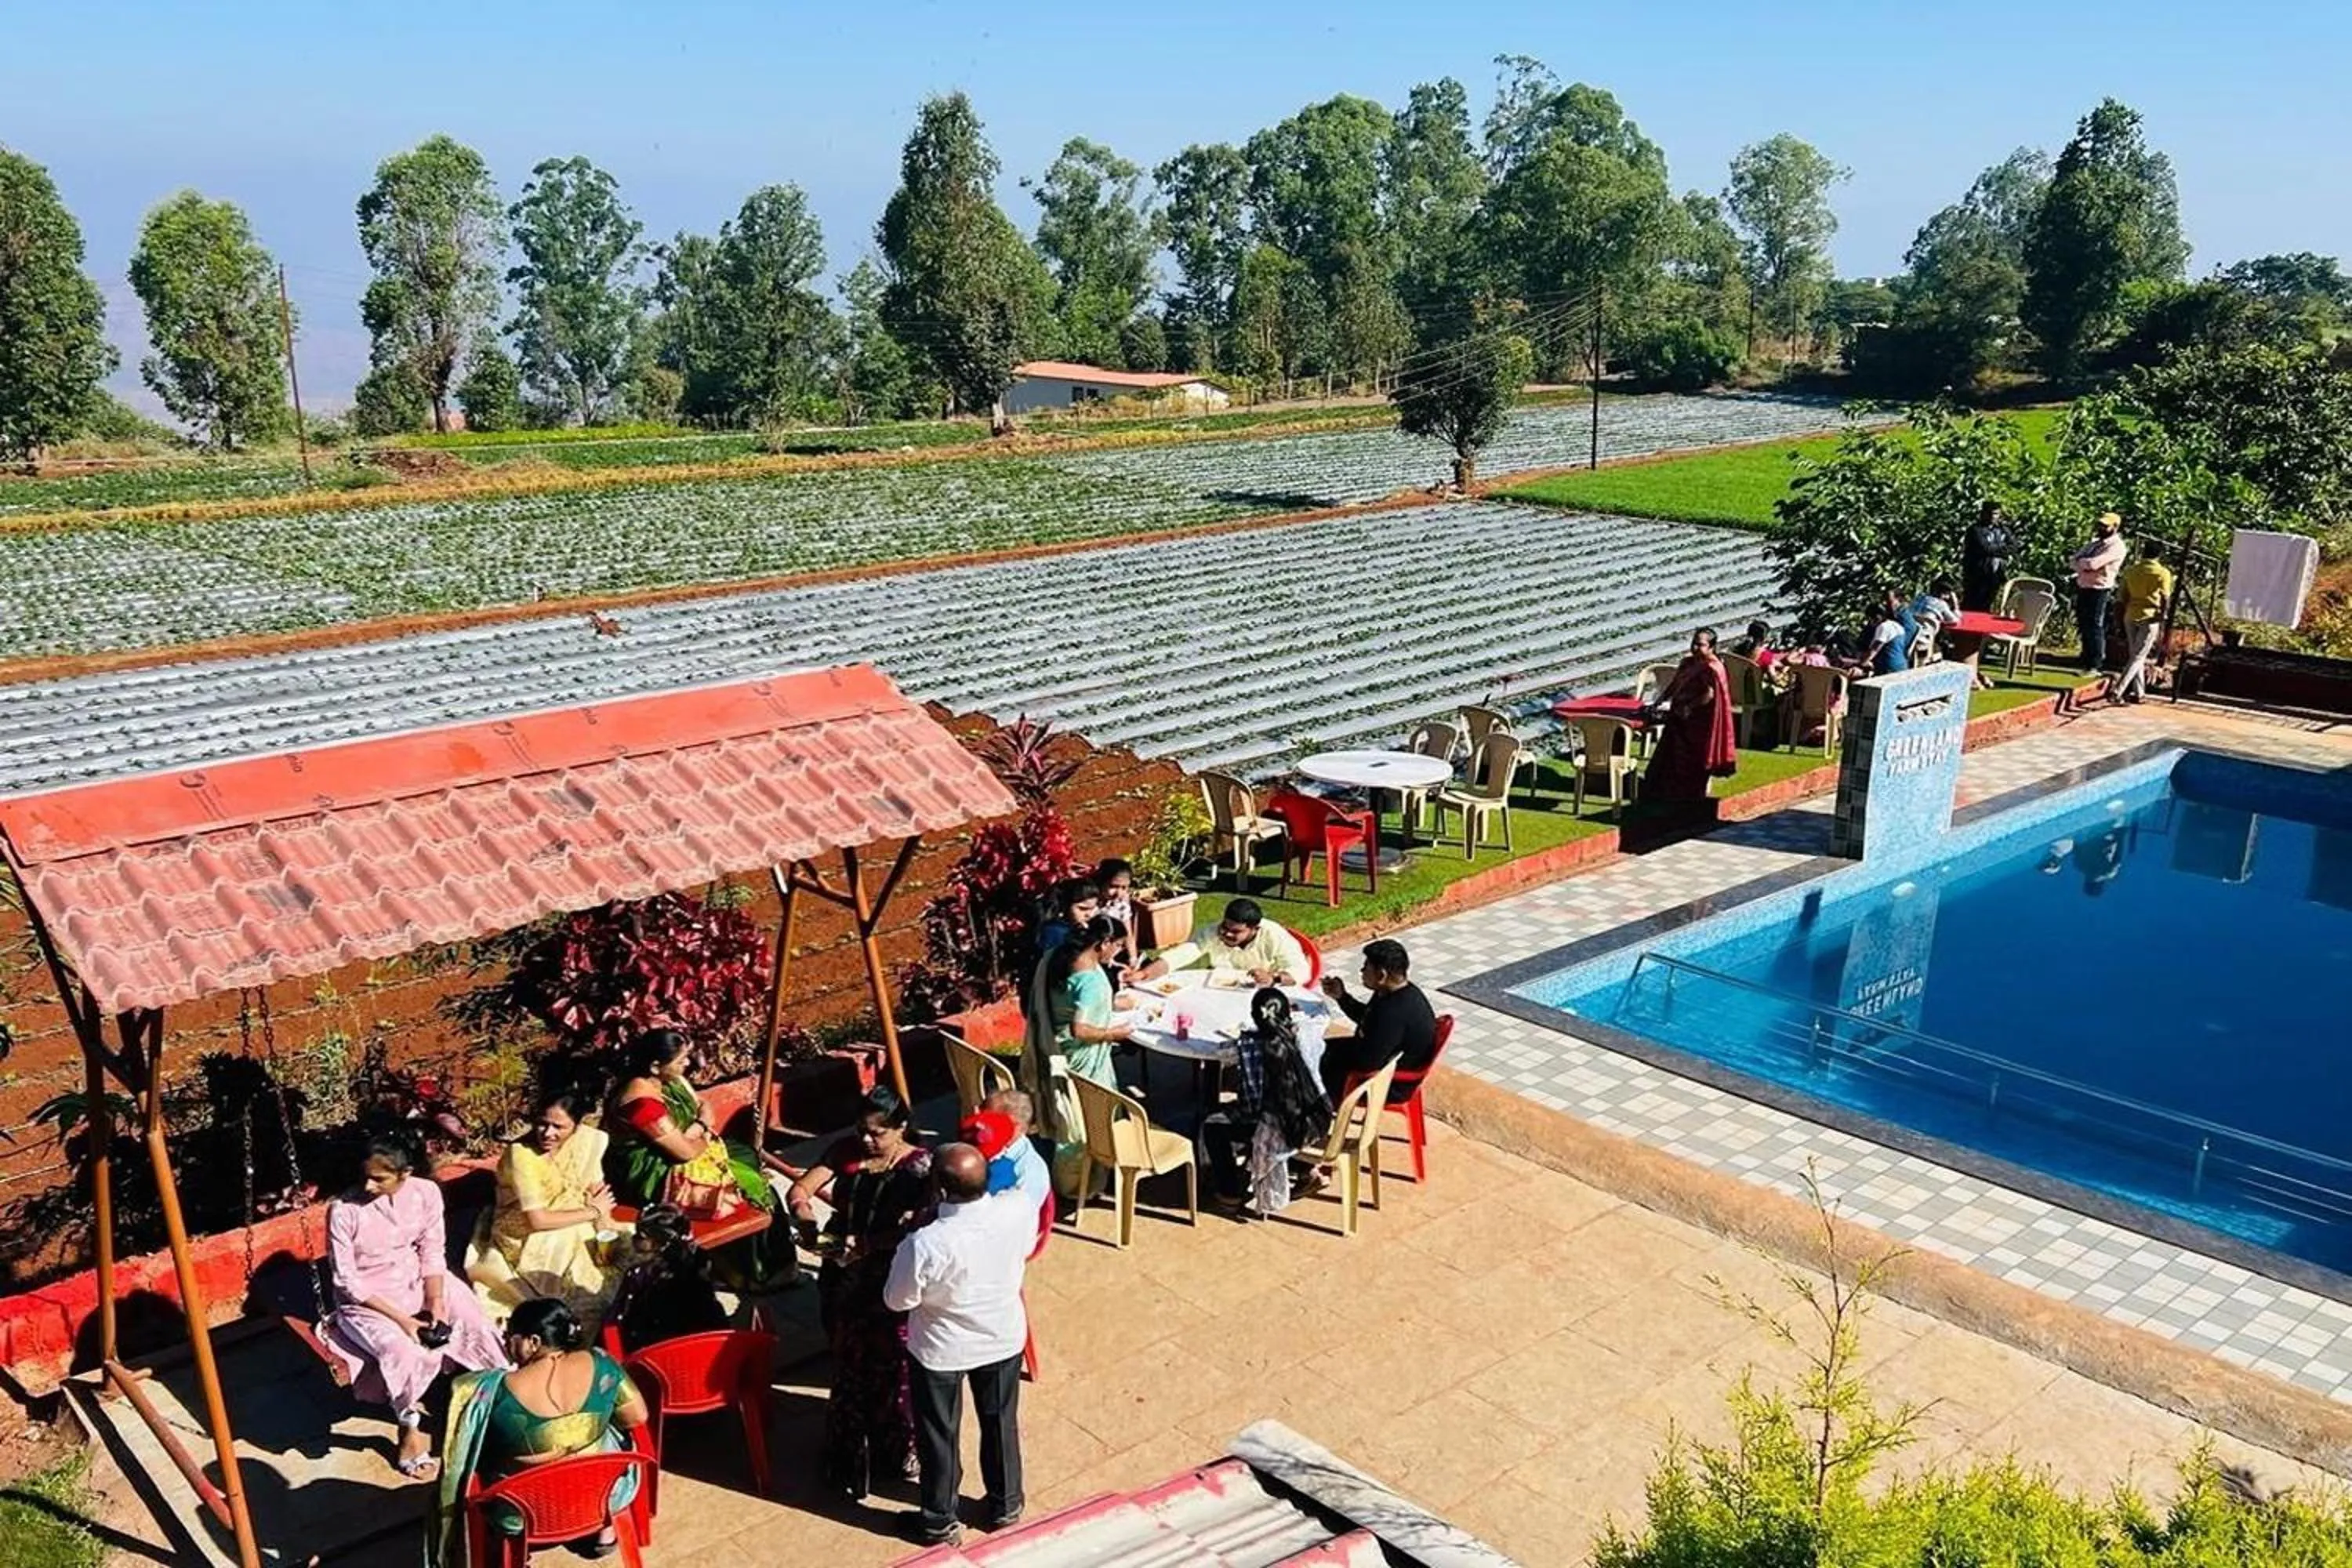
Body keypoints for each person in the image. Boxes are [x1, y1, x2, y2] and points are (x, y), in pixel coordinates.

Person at [323, 1131, 508, 1480]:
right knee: (408, 1351)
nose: (369, 1185)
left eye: (379, 1179)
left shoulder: (425, 1193)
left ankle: (495, 1404)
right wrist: (405, 1321)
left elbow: (432, 1249)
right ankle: (410, 1425)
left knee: (474, 1323)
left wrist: (435, 1301)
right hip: (369, 1299)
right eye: (365, 1175)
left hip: (418, 1278)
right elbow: (347, 1280)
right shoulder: (344, 1211)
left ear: (405, 1173)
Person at [785, 1086, 935, 1499]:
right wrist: (805, 1218)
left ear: (900, 1128)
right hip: (843, 1275)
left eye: (877, 1133)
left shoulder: (921, 1168)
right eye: (862, 1130)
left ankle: (896, 1451)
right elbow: (800, 1190)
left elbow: (924, 1227)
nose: (867, 1140)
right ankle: (847, 1457)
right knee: (848, 1365)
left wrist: (871, 1244)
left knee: (892, 1368)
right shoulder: (844, 1152)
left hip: (891, 1277)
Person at [884, 1143, 1035, 1547]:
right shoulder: (1018, 1208)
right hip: (1002, 1337)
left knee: (939, 1434)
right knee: (1001, 1423)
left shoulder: (926, 1243)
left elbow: (898, 1300)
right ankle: (1006, 1505)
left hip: (941, 1351)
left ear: (939, 1189)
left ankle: (939, 1520)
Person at [430, 1298, 649, 1566]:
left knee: (487, 1466)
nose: (508, 1345)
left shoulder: (489, 1391)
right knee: (611, 1437)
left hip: (524, 1512)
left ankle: (512, 1556)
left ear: (533, 1342)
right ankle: (604, 1532)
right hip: (606, 1494)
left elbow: (463, 1454)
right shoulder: (601, 1362)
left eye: (511, 1337)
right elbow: (637, 1416)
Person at [604, 1029, 794, 1294]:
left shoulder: (669, 1081)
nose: (688, 1064)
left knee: (745, 1159)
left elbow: (702, 1106)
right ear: (655, 1066)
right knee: (749, 1190)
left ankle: (763, 1271)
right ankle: (751, 1275)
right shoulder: (640, 1103)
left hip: (679, 1153)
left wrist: (698, 1128)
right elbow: (685, 1151)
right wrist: (704, 1127)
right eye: (681, 1060)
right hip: (653, 1175)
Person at [464, 1089, 622, 1328]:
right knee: (564, 1247)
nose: (548, 1133)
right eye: (542, 1124)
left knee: (617, 1255)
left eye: (559, 1127)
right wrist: (593, 1213)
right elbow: (537, 1220)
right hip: (524, 1226)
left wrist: (604, 1228)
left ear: (577, 1126)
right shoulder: (522, 1155)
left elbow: (598, 1191)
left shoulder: (587, 1141)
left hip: (576, 1213)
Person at [1020, 916, 1137, 1194]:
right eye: (1117, 946)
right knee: (1082, 1122)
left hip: (1058, 1051)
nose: (1117, 952)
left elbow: (1070, 1006)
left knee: (1068, 1115)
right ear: (1103, 943)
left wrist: (1112, 1004)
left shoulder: (1058, 958)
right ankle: (1076, 1185)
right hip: (1083, 1061)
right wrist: (1114, 1034)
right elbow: (1081, 1029)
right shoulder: (1090, 982)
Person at [1200, 988, 1334, 1218]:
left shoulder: (1248, 1046)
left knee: (1213, 1126)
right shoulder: (1307, 1037)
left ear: (1254, 1017)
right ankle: (1305, 1169)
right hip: (1314, 1119)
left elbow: (1251, 1101)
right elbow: (1322, 1014)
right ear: (1289, 1015)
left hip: (1278, 1127)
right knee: (1280, 1110)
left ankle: (1229, 1192)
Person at [1316, 938, 1440, 1107]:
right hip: (1377, 1059)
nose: (1362, 970)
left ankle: (1319, 1112)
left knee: (1312, 1068)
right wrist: (1342, 997)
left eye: (1366, 966)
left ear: (1381, 975)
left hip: (1389, 1084)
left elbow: (1367, 1064)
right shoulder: (1393, 993)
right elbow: (1368, 1019)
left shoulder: (1395, 1013)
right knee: (1316, 1049)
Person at [605, 1203, 728, 1354]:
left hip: (655, 1352)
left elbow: (613, 1323)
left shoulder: (640, 1274)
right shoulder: (700, 1260)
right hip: (704, 1346)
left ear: (659, 1243)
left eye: (640, 1236)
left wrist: (617, 1360)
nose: (633, 1238)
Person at [1644, 626, 1740, 803]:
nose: (1695, 648)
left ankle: (1692, 796)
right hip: (1678, 716)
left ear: (1711, 647)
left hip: (1698, 721)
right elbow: (1676, 684)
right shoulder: (1688, 663)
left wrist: (1690, 707)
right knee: (1670, 754)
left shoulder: (1712, 667)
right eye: (1694, 643)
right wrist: (1660, 701)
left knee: (1692, 759)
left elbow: (1710, 693)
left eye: (1700, 645)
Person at [1140, 898, 1308, 987]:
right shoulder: (1212, 932)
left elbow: (1301, 971)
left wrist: (1273, 978)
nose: (1226, 934)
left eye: (1236, 932)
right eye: (1225, 927)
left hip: (1263, 992)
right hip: (1222, 988)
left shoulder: (1274, 935)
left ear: (1254, 929)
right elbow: (1182, 954)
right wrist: (1143, 974)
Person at [2112, 542, 2175, 704]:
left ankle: (2139, 693)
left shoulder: (2131, 571)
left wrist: (2118, 620)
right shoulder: (2162, 573)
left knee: (2136, 654)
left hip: (2131, 614)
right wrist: (2163, 615)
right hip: (2150, 617)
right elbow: (2165, 597)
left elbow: (2121, 598)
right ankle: (2117, 691)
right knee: (2138, 657)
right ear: (2159, 555)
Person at [2071, 511, 2127, 672]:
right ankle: (2085, 656)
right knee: (2083, 623)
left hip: (2099, 588)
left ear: (2115, 527)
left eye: (2105, 526)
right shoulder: (2095, 543)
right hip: (2084, 586)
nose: (2101, 528)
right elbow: (2074, 560)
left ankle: (2095, 663)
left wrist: (2083, 564)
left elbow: (2094, 564)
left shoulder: (2116, 547)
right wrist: (2083, 564)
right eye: (2100, 525)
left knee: (2094, 624)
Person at [979, 1088, 1051, 1207]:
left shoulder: (1028, 1172)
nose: (980, 1125)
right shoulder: (981, 1142)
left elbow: (1019, 1218)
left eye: (991, 1121)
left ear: (1018, 1127)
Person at [1960, 500, 2017, 613]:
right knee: (1972, 603)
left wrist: (1996, 549)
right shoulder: (1975, 530)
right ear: (1983, 513)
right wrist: (2002, 548)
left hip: (1995, 574)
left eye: (1996, 514)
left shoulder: (2003, 530)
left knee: (1988, 603)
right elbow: (1984, 548)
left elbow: (2013, 546)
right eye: (1990, 513)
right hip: (1977, 574)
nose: (1992, 517)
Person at [1033, 877, 1101, 960]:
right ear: (1066, 905)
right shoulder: (1055, 931)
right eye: (1082, 909)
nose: (1089, 915)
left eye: (1092, 909)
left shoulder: (1077, 929)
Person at [1864, 590, 1918, 677]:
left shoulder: (1883, 627)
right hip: (1902, 665)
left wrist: (1862, 663)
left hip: (1888, 668)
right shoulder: (1896, 624)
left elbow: (1874, 651)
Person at [1907, 578, 1959, 658]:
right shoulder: (1941, 604)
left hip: (1908, 632)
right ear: (1943, 594)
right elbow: (1954, 621)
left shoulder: (1919, 597)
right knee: (1941, 647)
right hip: (1923, 637)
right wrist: (1955, 605)